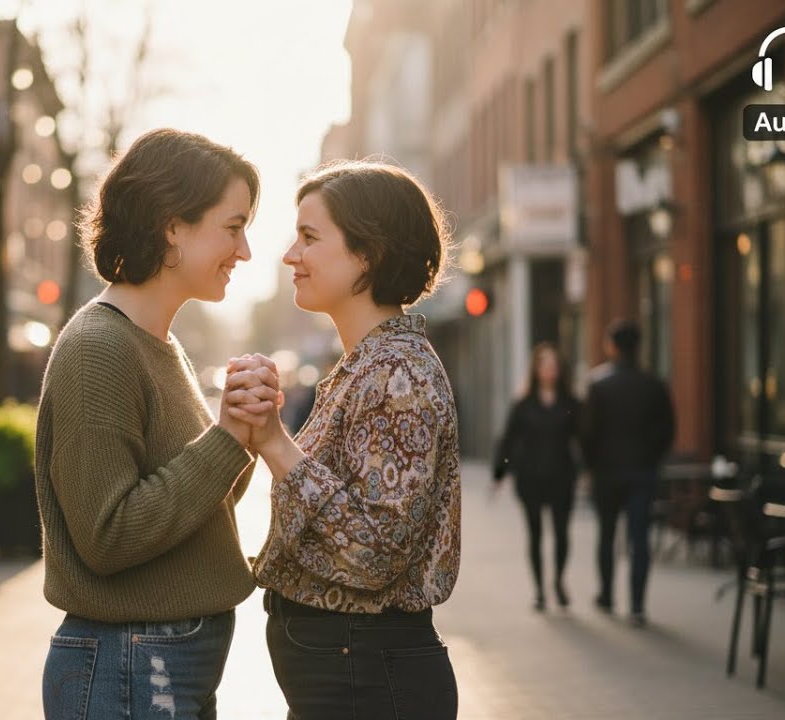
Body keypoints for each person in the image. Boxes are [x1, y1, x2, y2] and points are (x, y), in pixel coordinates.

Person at [35, 128, 261, 719]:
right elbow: (108, 535)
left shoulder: (156, 343)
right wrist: (224, 441)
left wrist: (242, 432)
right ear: (172, 226)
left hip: (153, 662)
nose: (244, 251)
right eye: (233, 227)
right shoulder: (99, 349)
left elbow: (193, 509)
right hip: (131, 663)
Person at [225, 160, 461, 719]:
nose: (290, 255)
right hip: (354, 671)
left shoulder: (398, 374)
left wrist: (277, 444)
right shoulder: (368, 364)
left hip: (367, 674)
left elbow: (373, 552)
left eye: (309, 237)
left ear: (368, 253)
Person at [580, 319, 675, 626]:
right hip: (642, 472)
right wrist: (652, 458)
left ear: (612, 346)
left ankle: (607, 596)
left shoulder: (598, 384)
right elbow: (667, 431)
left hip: (607, 472)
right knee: (639, 539)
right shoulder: (654, 385)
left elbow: (587, 433)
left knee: (607, 535)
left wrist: (590, 466)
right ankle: (637, 604)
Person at [493, 342, 581, 611]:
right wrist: (499, 472)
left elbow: (584, 437)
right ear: (536, 369)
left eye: (554, 365)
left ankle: (559, 581)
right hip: (530, 476)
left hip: (562, 475)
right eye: (545, 364)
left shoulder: (571, 402)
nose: (549, 369)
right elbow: (508, 439)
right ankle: (540, 590)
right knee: (535, 534)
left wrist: (588, 468)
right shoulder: (523, 404)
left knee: (562, 533)